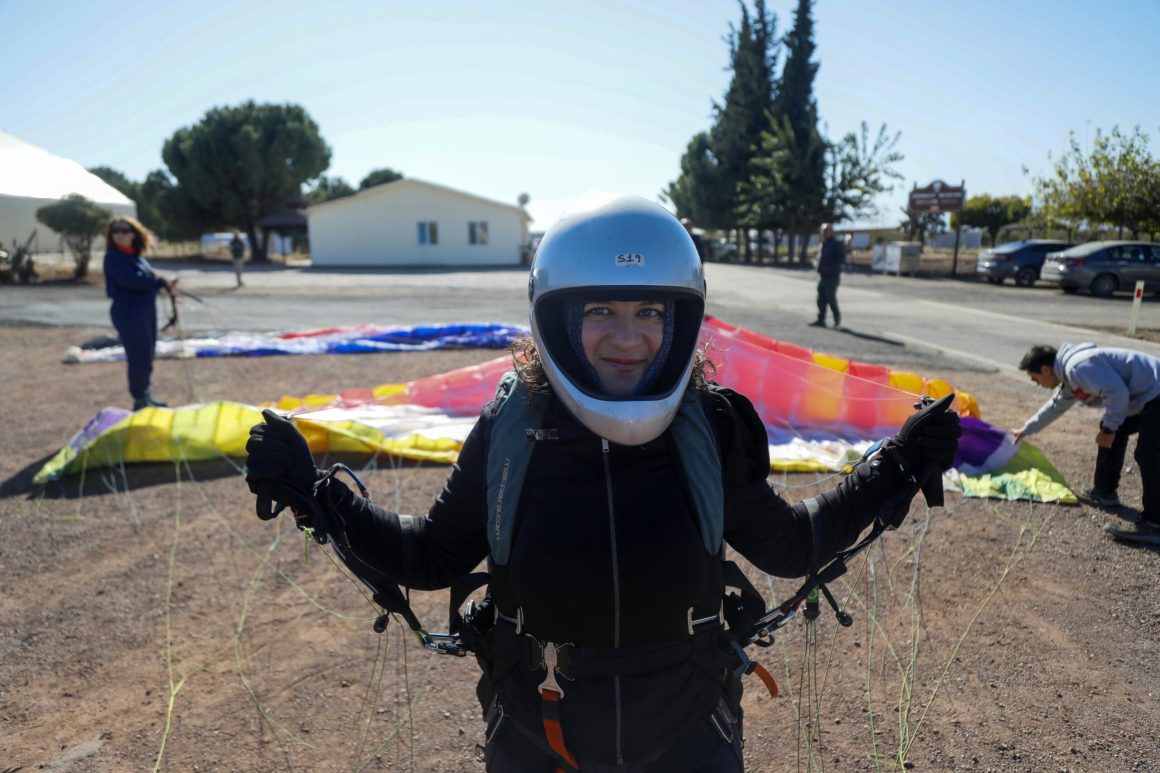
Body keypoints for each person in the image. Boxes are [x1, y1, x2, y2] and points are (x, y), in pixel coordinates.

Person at [243, 196, 960, 772]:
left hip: (690, 735)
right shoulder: (513, 426)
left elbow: (789, 544)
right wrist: (316, 490)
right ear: (556, 317)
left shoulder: (708, 426)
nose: (630, 337)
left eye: (651, 311)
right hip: (538, 733)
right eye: (601, 311)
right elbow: (431, 555)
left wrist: (892, 465)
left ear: (681, 320)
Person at [1013, 343, 1160, 530]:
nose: (1037, 384)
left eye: (1035, 379)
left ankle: (1154, 522)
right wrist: (1026, 429)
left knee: (1148, 453)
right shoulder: (1069, 376)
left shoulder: (1077, 368)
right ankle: (1104, 492)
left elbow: (1117, 393)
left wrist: (1109, 429)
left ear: (1045, 370)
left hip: (1156, 395)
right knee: (1116, 430)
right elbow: (1055, 406)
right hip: (1150, 397)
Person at [102, 216, 175, 411]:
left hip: (144, 309)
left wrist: (162, 283)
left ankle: (145, 393)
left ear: (134, 233)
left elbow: (145, 279)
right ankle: (139, 398)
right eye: (115, 231)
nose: (119, 235)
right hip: (128, 311)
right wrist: (159, 282)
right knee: (138, 354)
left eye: (124, 230)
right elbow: (132, 281)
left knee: (148, 351)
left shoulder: (136, 257)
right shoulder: (113, 257)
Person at [809, 223, 845, 328]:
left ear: (831, 232)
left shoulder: (837, 243)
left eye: (825, 231)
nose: (823, 233)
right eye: (822, 231)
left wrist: (830, 269)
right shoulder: (824, 244)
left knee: (831, 298)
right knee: (821, 298)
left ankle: (836, 319)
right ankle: (821, 319)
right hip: (823, 276)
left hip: (832, 276)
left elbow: (840, 260)